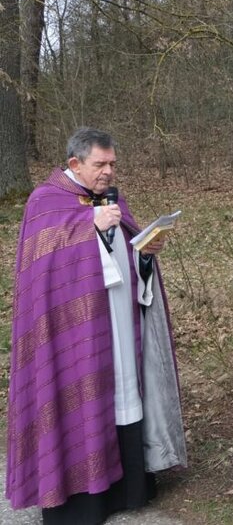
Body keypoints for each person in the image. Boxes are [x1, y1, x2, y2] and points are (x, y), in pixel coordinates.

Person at [6, 127, 187, 525]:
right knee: (82, 396)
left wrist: (145, 252)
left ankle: (127, 487)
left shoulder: (111, 200)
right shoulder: (45, 202)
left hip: (120, 321)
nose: (108, 172)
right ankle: (82, 500)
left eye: (112, 164)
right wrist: (90, 226)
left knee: (122, 394)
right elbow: (47, 267)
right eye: (100, 164)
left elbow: (126, 250)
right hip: (73, 332)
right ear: (75, 163)